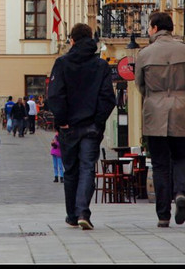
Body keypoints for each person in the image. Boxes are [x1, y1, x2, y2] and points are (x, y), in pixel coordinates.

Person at [135, 11, 185, 228]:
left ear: (155, 28)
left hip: (154, 111)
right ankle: (181, 192)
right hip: (180, 108)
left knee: (159, 164)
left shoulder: (145, 54)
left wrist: (154, 97)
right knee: (180, 156)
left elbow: (140, 84)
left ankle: (163, 214)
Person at [47, 23, 116, 231]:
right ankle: (83, 212)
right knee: (87, 168)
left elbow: (55, 95)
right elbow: (107, 98)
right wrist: (98, 121)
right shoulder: (101, 65)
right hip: (91, 127)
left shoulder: (62, 63)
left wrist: (61, 120)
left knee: (71, 171)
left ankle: (72, 214)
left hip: (69, 126)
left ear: (73, 40)